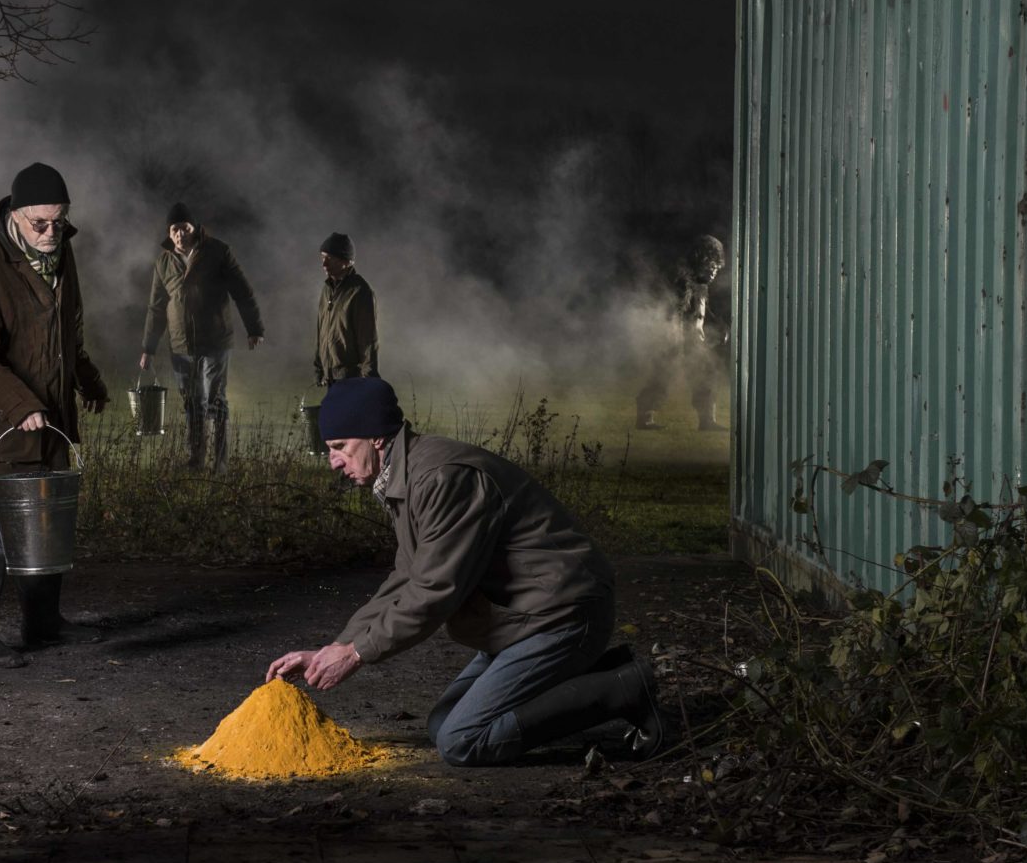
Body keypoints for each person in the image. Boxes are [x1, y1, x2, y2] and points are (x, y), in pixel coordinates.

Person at [267, 377, 665, 767]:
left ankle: (627, 689)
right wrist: (335, 648)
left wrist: (356, 654)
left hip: (563, 613)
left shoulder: (442, 477)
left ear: (375, 436)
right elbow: (407, 577)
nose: (334, 461)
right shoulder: (405, 477)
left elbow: (435, 589)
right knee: (443, 725)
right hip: (527, 619)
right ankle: (603, 676)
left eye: (339, 447)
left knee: (462, 741)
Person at [0, 162, 108, 656]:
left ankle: (43, 625)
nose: (50, 232)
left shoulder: (62, 253)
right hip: (4, 423)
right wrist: (19, 404)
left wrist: (89, 381)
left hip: (53, 421)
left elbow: (68, 334)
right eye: (40, 223)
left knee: (49, 524)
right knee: (6, 524)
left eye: (59, 222)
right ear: (15, 215)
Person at [139, 202, 264, 470]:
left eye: (185, 228)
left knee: (214, 398)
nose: (180, 234)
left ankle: (220, 461)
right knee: (192, 401)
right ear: (169, 233)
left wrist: (254, 328)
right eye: (175, 229)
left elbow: (242, 291)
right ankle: (195, 459)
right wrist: (148, 347)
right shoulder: (163, 262)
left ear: (195, 229)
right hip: (181, 344)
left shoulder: (217, 252)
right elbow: (156, 306)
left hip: (215, 341)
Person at [634, 233, 729, 431]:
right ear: (701, 260)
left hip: (693, 340)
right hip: (675, 338)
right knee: (663, 374)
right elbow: (673, 310)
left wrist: (719, 325)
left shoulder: (701, 285)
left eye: (716, 269)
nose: (714, 273)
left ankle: (707, 420)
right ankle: (645, 418)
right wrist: (673, 339)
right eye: (712, 266)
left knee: (705, 374)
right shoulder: (682, 281)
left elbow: (702, 311)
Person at [313, 232, 378, 386]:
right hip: (329, 378)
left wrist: (368, 379)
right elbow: (320, 330)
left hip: (351, 379)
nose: (324, 265)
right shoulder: (326, 289)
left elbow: (368, 340)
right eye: (323, 258)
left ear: (346, 262)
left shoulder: (360, 291)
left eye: (330, 259)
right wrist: (319, 369)